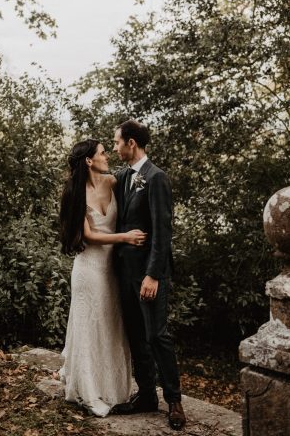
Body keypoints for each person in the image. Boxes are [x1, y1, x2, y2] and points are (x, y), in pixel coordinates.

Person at [59, 138, 147, 417]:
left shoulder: (113, 182)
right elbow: (88, 235)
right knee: (90, 326)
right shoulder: (76, 192)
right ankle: (88, 388)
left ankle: (114, 387)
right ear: (89, 160)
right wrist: (124, 238)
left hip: (113, 269)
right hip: (89, 268)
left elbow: (135, 205)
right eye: (102, 153)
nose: (107, 156)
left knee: (111, 324)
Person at [112, 119, 187, 431]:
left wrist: (153, 275)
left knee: (157, 334)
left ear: (132, 143)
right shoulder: (120, 177)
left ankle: (174, 401)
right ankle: (146, 396)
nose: (115, 147)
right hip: (123, 272)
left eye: (117, 142)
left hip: (148, 273)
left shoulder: (156, 178)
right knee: (136, 336)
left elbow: (162, 230)